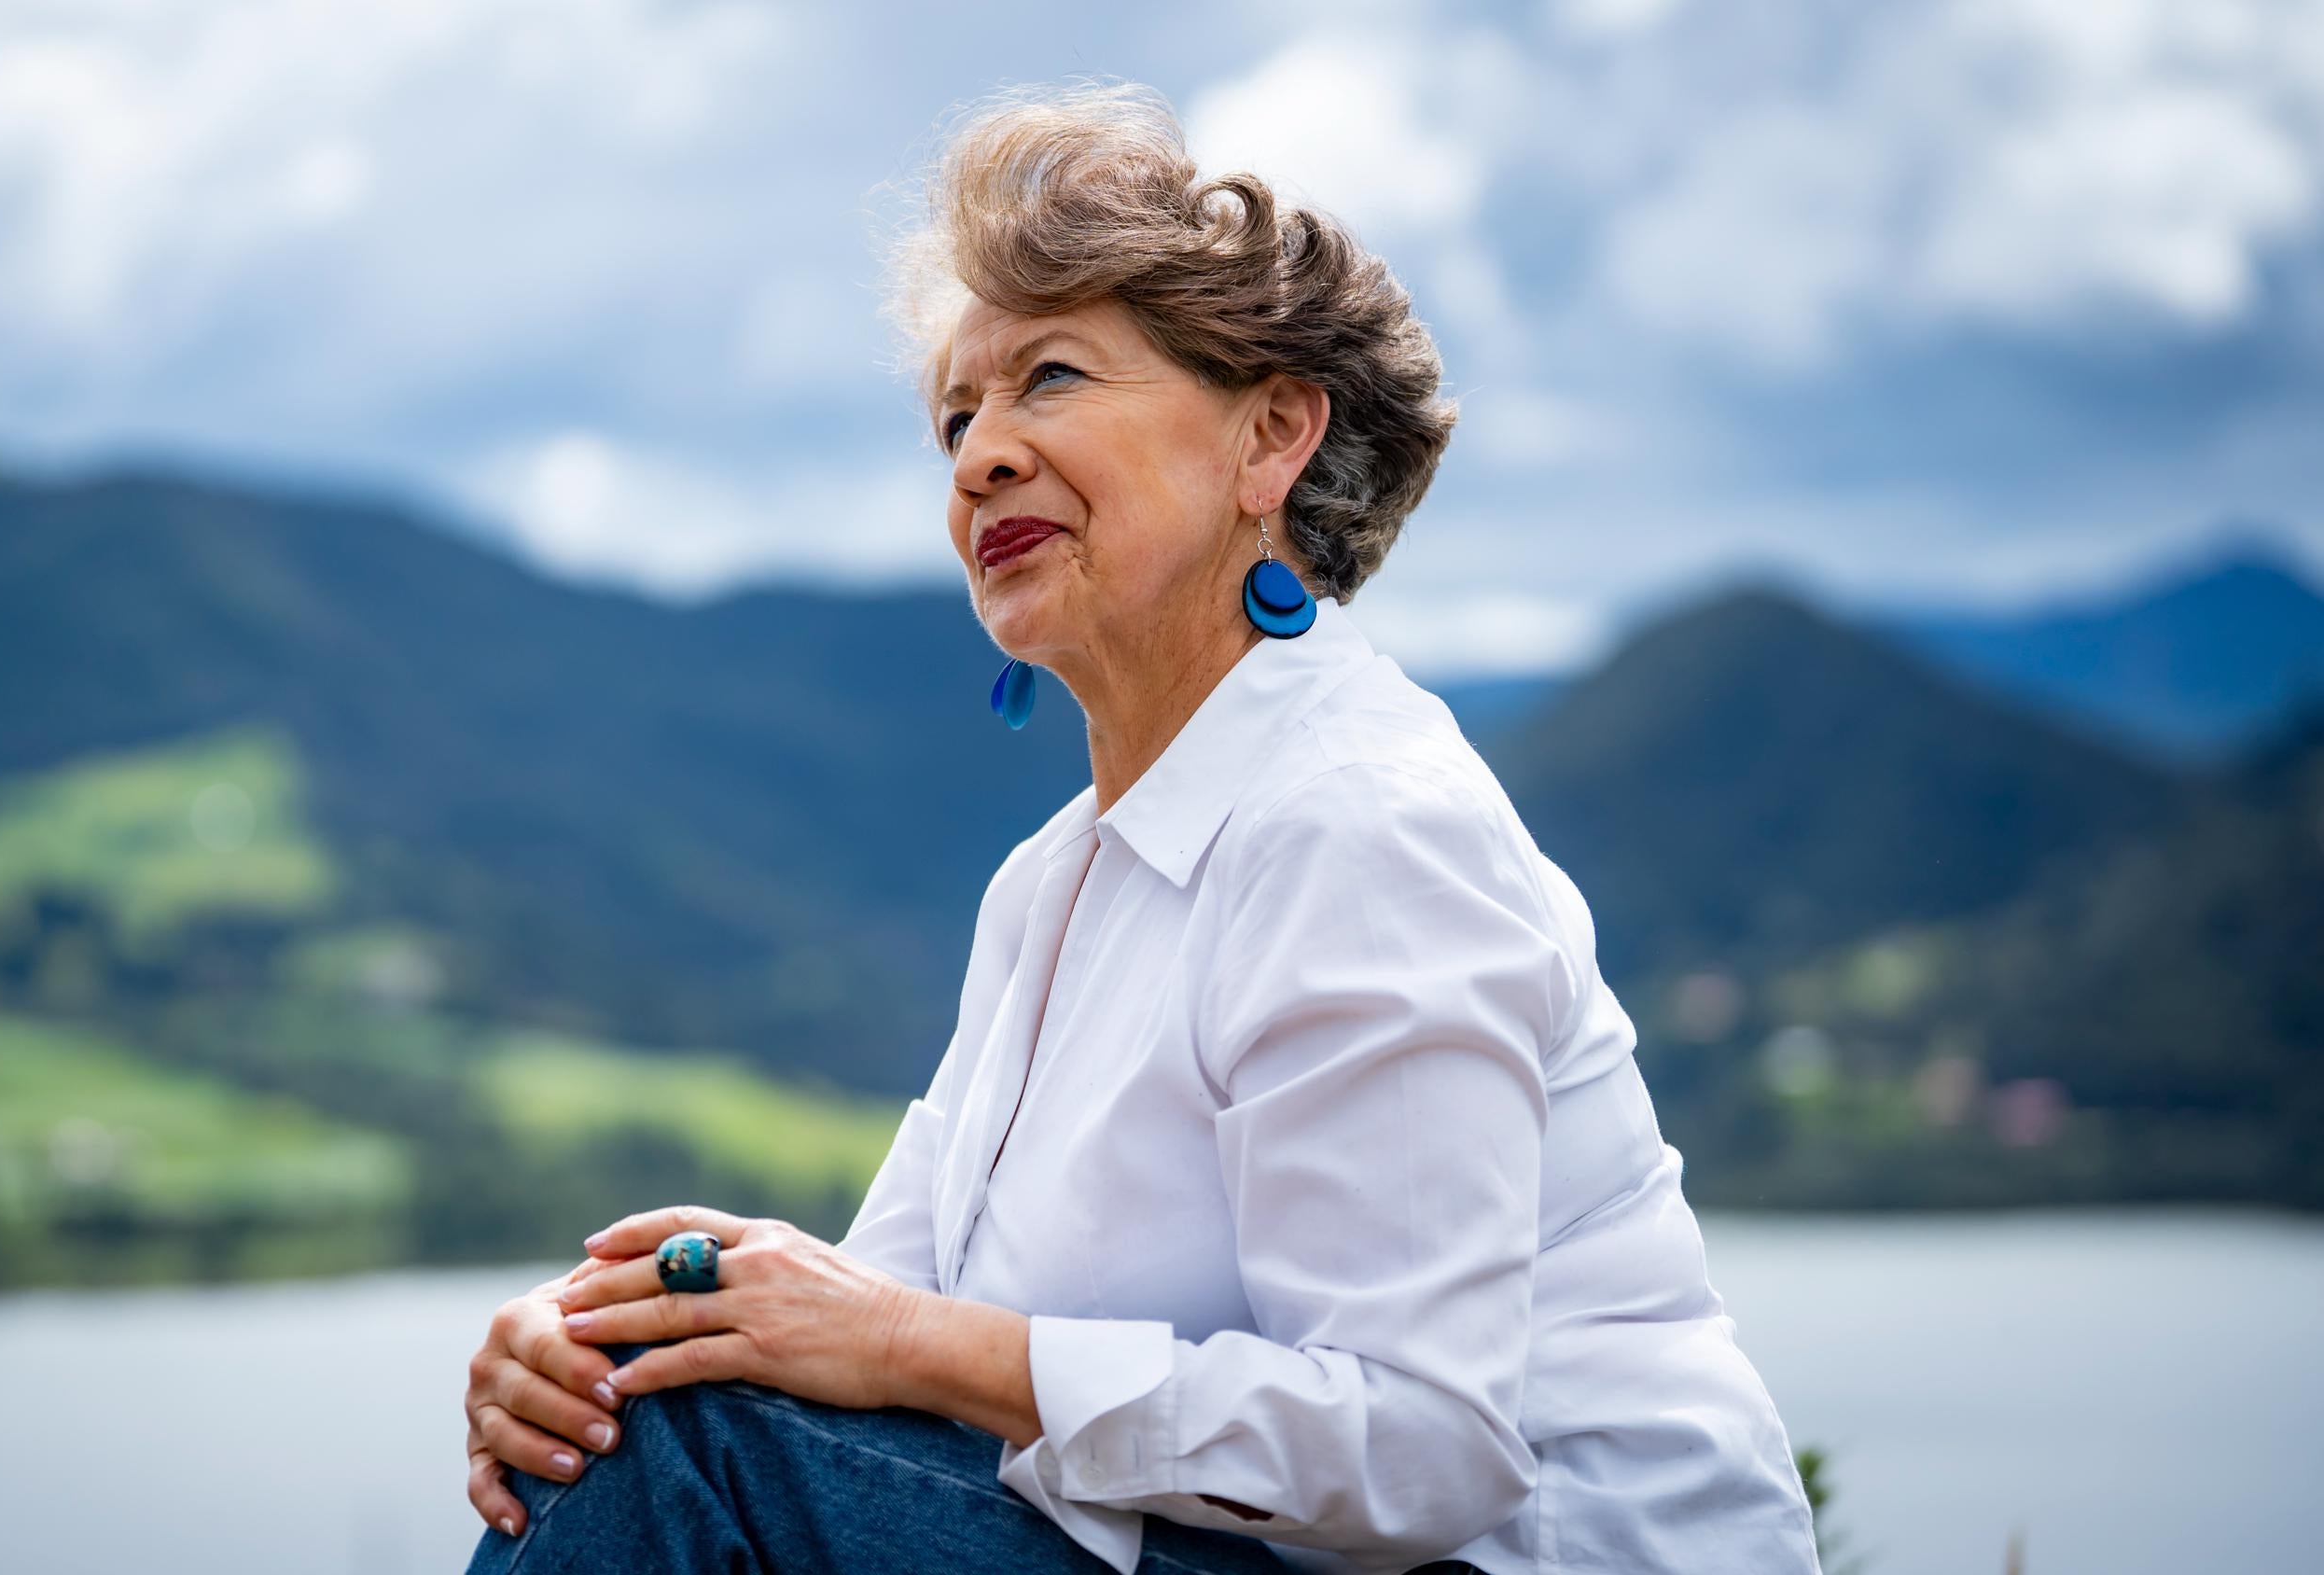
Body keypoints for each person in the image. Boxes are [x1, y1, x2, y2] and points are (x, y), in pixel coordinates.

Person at [460, 79, 1820, 1574]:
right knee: (654, 1424)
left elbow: (1420, 1449)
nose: (978, 454)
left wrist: (869, 1349)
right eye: (955, 416)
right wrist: (608, 1347)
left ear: (1272, 438)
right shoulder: (1047, 893)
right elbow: (869, 1334)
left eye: (1048, 379)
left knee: (691, 1455)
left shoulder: (1360, 829)